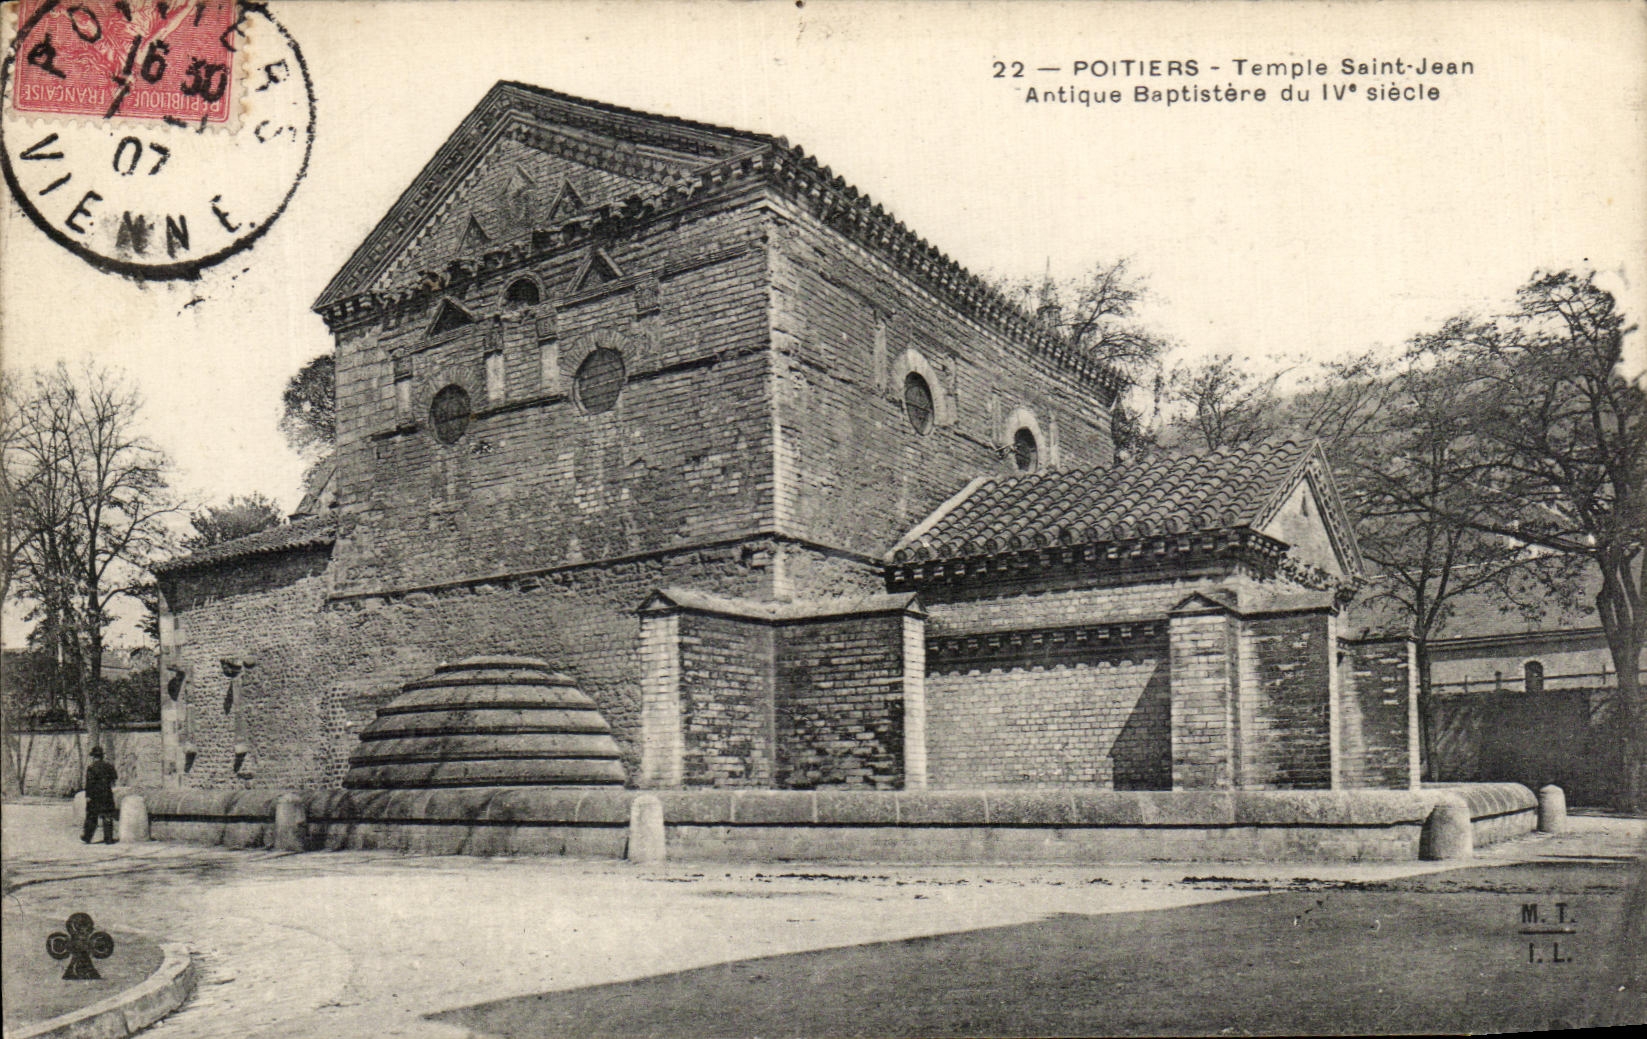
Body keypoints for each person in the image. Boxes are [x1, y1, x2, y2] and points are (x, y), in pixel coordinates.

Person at [81, 746, 118, 845]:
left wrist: (88, 796)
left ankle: (87, 837)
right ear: (102, 756)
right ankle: (108, 838)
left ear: (93, 757)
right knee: (107, 816)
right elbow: (114, 779)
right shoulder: (109, 766)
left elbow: (89, 783)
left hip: (95, 796)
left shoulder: (91, 768)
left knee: (91, 817)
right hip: (107, 795)